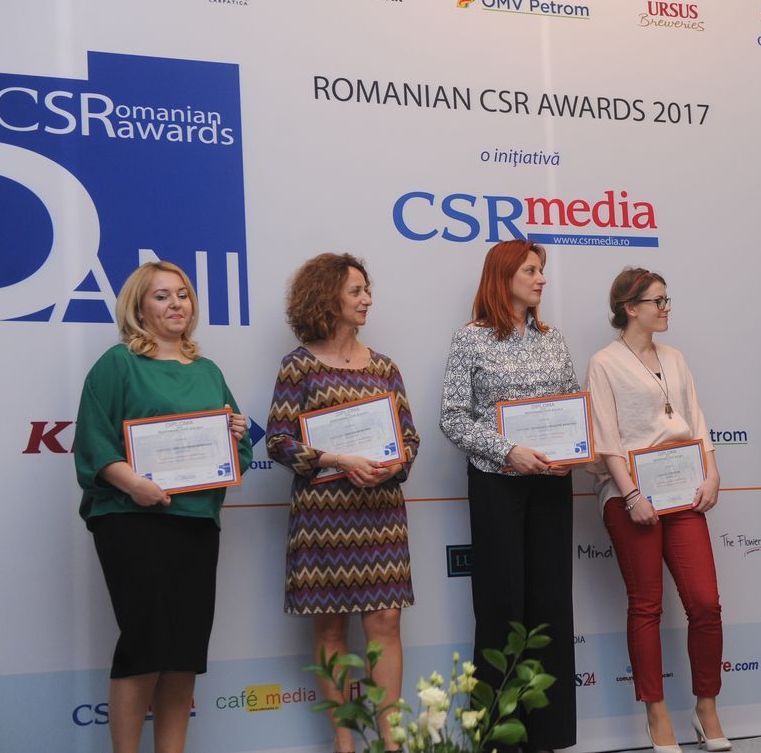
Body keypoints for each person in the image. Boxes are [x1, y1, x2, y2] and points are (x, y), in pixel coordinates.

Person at [74, 261, 252, 753]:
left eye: (183, 294)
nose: (176, 304)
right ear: (139, 308)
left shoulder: (209, 371)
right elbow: (93, 441)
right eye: (162, 296)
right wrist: (134, 484)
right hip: (132, 521)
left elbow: (235, 455)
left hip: (196, 522)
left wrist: (235, 434)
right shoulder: (118, 364)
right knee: (145, 647)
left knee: (183, 653)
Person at [265, 253, 420, 753]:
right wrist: (334, 458)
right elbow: (278, 442)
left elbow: (409, 438)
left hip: (380, 513)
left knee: (386, 622)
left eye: (367, 290)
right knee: (330, 625)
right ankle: (344, 743)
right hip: (323, 518)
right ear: (327, 298)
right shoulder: (298, 366)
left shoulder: (385, 366)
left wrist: (395, 463)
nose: (367, 299)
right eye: (356, 291)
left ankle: (390, 742)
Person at [439, 240, 579, 752]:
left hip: (551, 484)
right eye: (531, 271)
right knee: (502, 607)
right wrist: (508, 451)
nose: (541, 279)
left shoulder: (554, 338)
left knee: (550, 606)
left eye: (541, 271)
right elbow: (453, 418)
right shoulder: (470, 339)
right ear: (503, 277)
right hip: (497, 483)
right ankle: (499, 740)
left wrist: (573, 450)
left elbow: (572, 405)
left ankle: (548, 735)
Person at [584, 268, 731, 753]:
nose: (666, 309)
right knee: (646, 605)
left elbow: (696, 422)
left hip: (684, 490)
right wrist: (630, 495)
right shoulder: (604, 363)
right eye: (658, 301)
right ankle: (656, 713)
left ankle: (706, 707)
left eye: (668, 300)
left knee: (705, 602)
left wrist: (711, 474)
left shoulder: (675, 357)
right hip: (630, 493)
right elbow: (606, 438)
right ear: (631, 308)